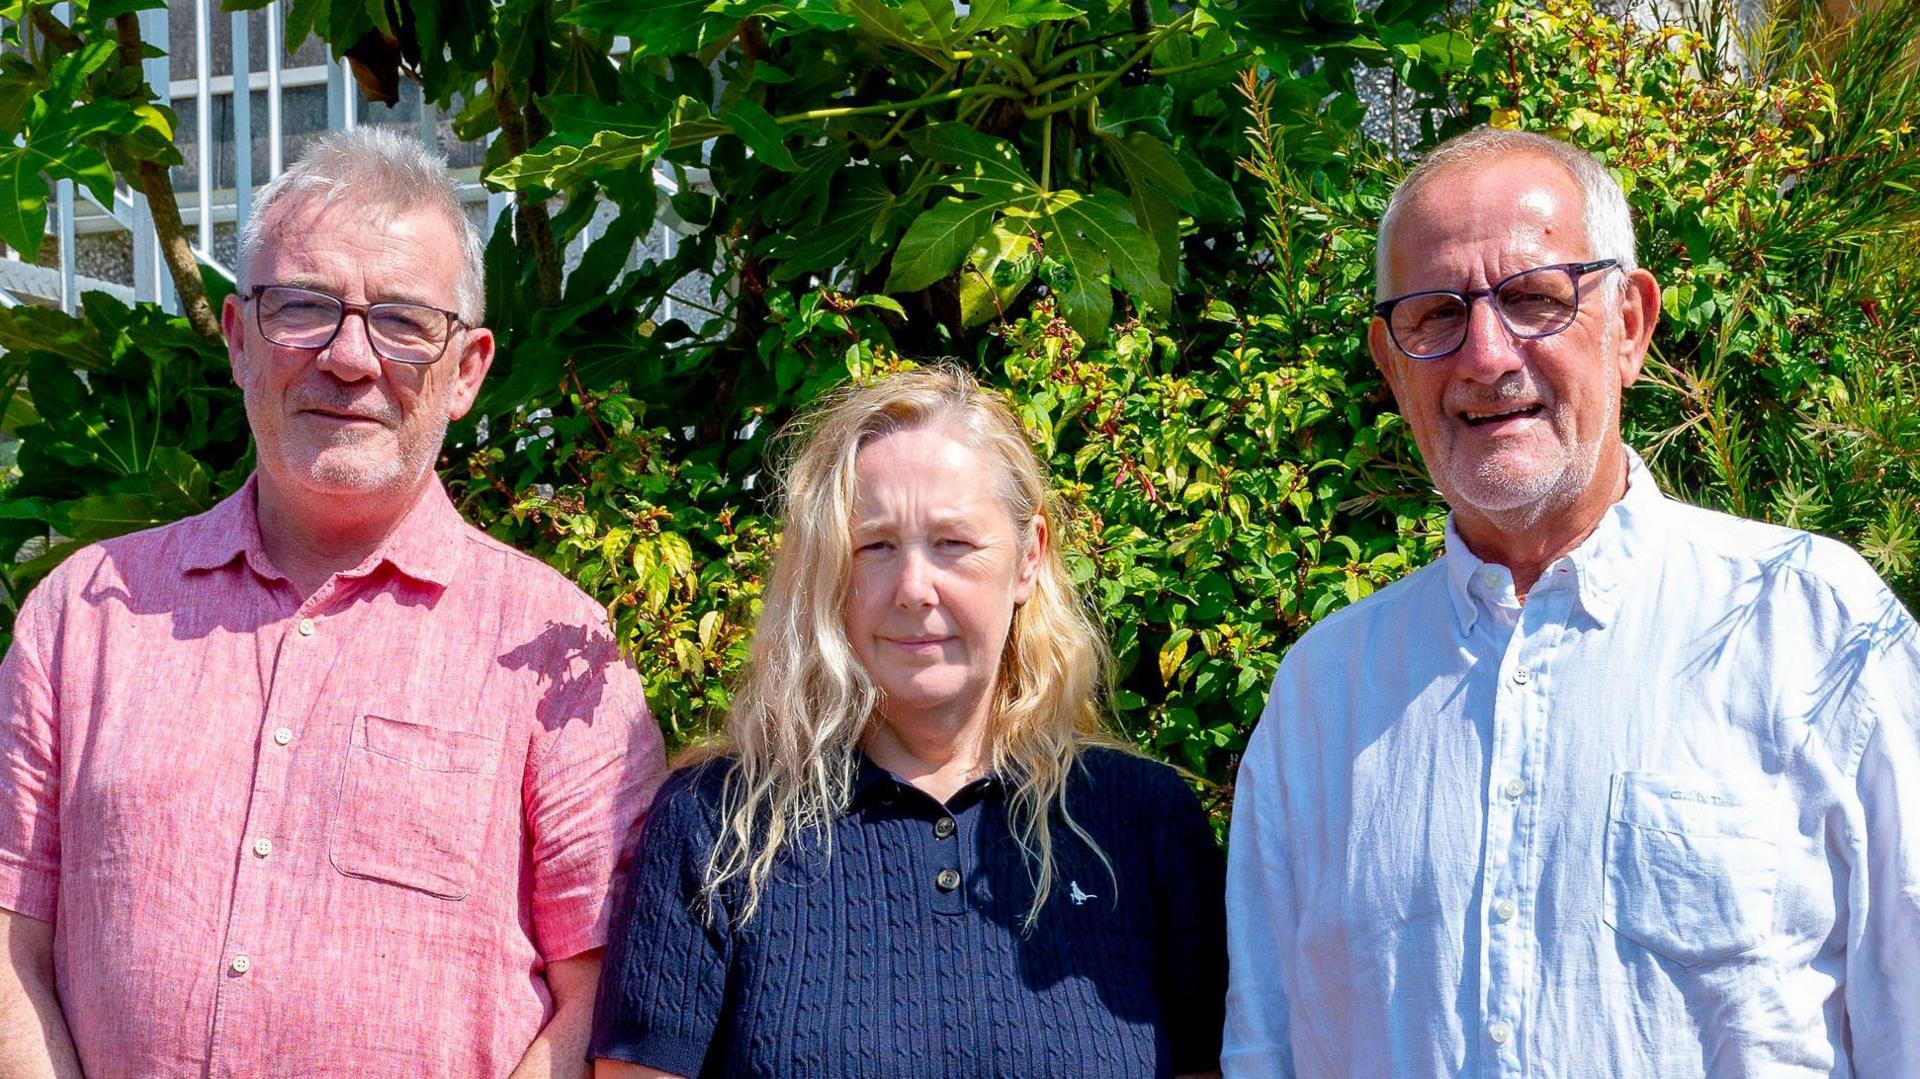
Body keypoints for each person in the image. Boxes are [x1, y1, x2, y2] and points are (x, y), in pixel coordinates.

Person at [1221, 125, 1920, 1076]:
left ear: (1628, 325)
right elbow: (1266, 1051)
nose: (1484, 353)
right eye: (1434, 316)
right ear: (1391, 364)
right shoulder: (1322, 700)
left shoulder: (1814, 630)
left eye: (1534, 299)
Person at [0, 128, 667, 1078]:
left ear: (468, 370)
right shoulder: (84, 617)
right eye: (303, 307)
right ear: (237, 338)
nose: (350, 358)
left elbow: (608, 994)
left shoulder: (555, 650)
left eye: (402, 321)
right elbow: (7, 941)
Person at [589, 366, 1226, 1078]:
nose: (914, 589)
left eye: (953, 542)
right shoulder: (719, 827)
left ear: (1029, 558)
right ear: (830, 569)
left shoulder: (1141, 824)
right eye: (876, 546)